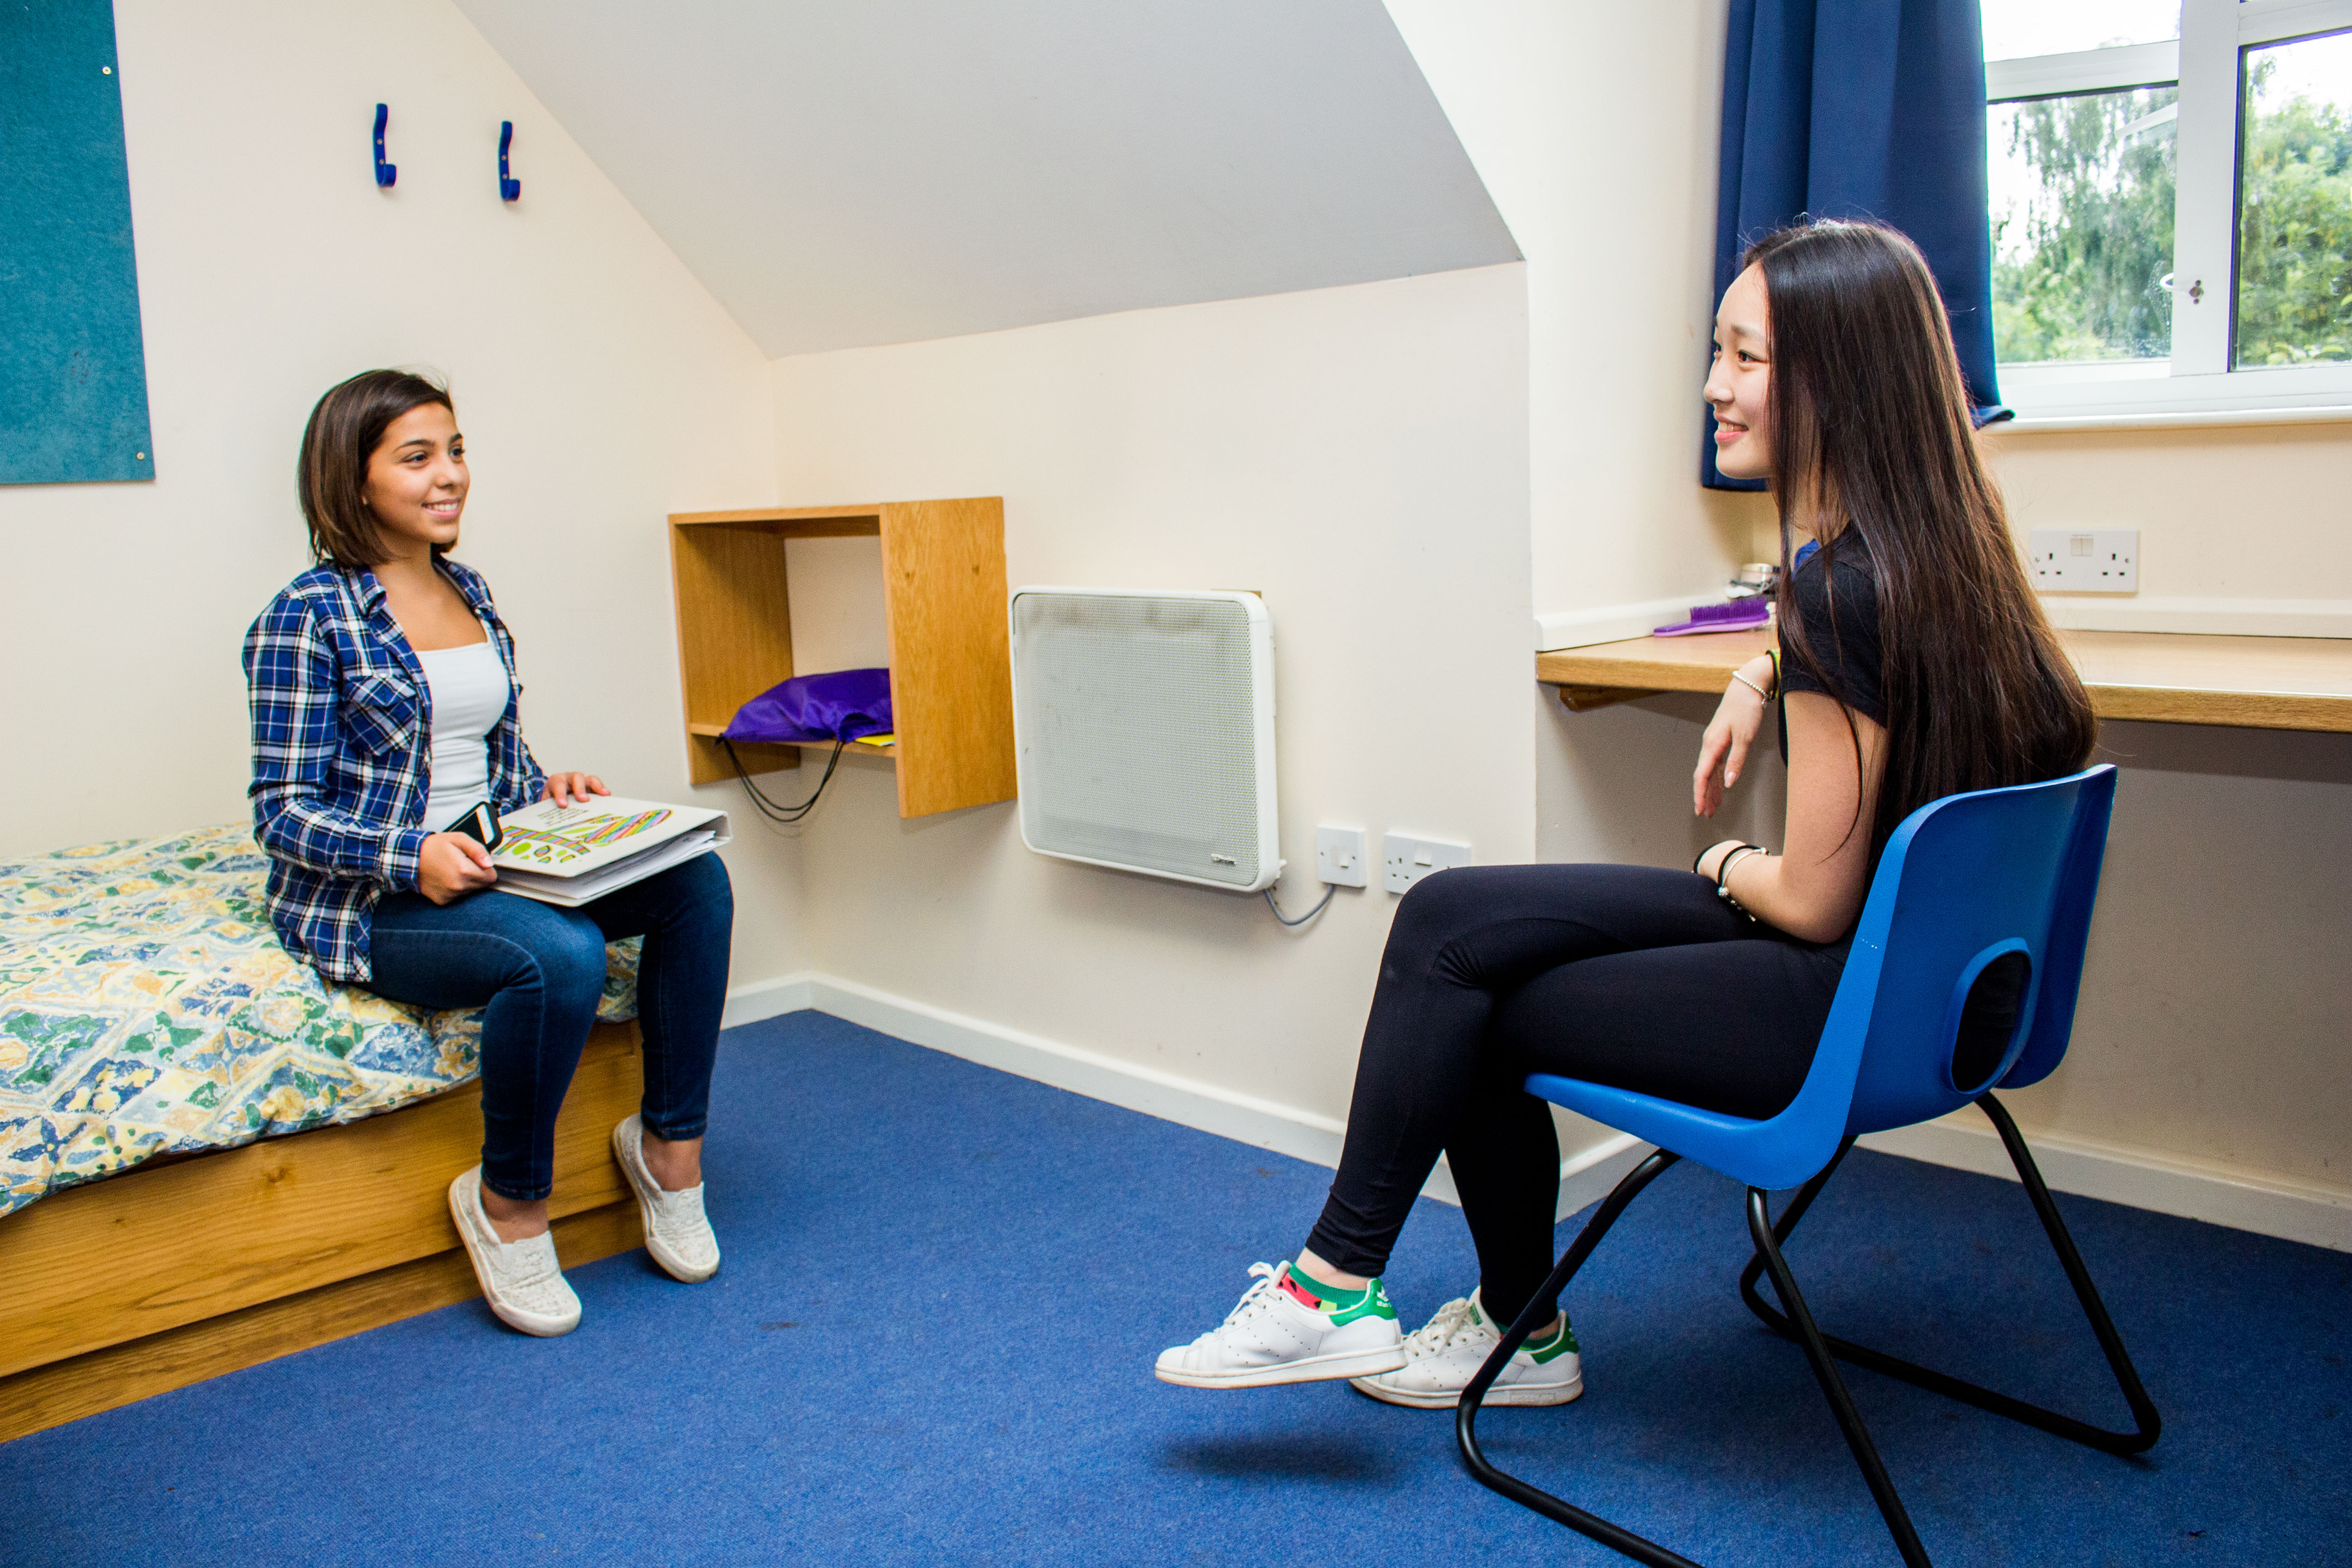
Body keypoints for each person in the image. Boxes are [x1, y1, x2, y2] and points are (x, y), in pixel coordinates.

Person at [1155, 220, 2096, 1407]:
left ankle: (1473, 1322)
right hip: (1929, 1002)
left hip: (1840, 1006)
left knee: (1476, 1006)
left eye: (1746, 358)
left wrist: (1726, 858)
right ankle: (1353, 1292)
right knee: (1450, 919)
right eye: (1720, 352)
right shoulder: (1953, 562)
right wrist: (1767, 672)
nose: (1714, 386)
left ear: (1839, 380)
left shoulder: (1844, 597)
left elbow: (1812, 898)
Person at [243, 369, 736, 1338]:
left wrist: (549, 793)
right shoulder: (307, 616)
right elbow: (281, 813)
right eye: (418, 457)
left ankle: (670, 1151)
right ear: (352, 477)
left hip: (492, 857)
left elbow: (484, 753)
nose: (451, 475)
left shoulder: (467, 587)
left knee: (696, 883)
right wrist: (407, 856)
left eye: (457, 450)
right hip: (375, 898)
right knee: (558, 955)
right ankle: (509, 1203)